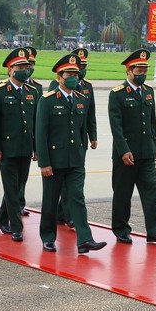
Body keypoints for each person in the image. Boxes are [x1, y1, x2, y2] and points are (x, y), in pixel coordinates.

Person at [37, 54, 106, 254]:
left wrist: (86, 146)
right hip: (54, 160)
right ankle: (48, 237)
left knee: (77, 198)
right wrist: (44, 162)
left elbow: (82, 128)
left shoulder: (82, 99)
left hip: (75, 159)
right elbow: (41, 133)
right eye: (69, 74)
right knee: (50, 201)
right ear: (59, 77)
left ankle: (85, 240)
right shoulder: (48, 100)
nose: (74, 77)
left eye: (76, 74)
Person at [108, 49, 156, 245]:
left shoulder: (148, 91)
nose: (142, 74)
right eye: (139, 70)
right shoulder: (117, 94)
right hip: (126, 154)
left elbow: (152, 123)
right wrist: (124, 150)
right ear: (129, 70)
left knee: (151, 192)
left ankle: (154, 232)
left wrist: (154, 146)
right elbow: (116, 127)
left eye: (145, 70)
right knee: (123, 193)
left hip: (146, 153)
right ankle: (121, 229)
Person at [0, 48, 39, 242]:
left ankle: (1, 219)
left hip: (25, 148)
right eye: (19, 67)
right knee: (11, 188)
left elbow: (35, 123)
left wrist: (36, 148)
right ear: (10, 70)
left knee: (17, 187)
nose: (24, 70)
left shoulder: (32, 92)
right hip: (7, 149)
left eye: (26, 66)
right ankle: (16, 227)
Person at [48, 47, 98, 227]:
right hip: (60, 143)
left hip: (79, 140)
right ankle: (66, 214)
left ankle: (65, 213)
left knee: (74, 183)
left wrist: (93, 135)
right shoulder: (56, 87)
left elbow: (90, 113)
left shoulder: (88, 87)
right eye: (79, 66)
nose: (81, 70)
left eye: (83, 66)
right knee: (63, 183)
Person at [18, 46, 43, 217]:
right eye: (26, 64)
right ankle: (12, 208)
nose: (29, 67)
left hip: (28, 140)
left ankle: (20, 203)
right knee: (13, 179)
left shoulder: (37, 88)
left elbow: (38, 118)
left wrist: (37, 145)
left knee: (23, 177)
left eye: (32, 63)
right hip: (11, 140)